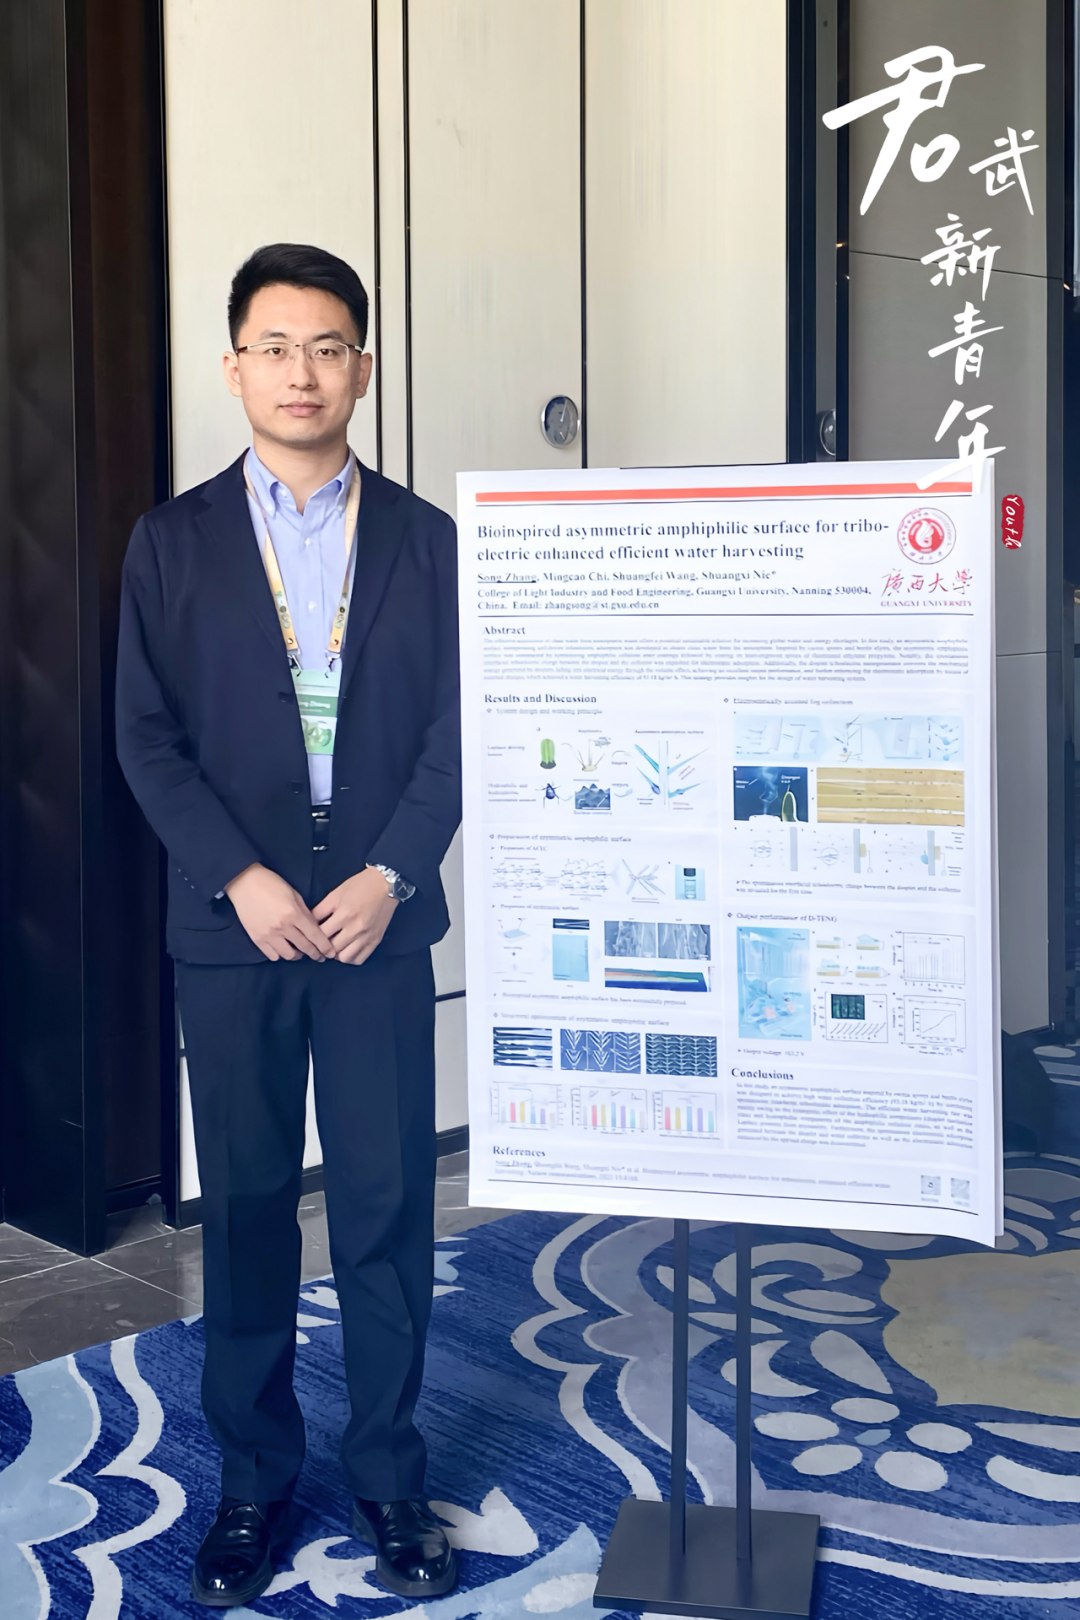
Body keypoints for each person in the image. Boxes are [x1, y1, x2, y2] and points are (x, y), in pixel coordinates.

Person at [116, 243, 461, 1609]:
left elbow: (458, 731)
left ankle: (389, 1476)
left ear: (364, 368)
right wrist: (239, 879)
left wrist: (392, 873)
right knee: (251, 1208)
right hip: (236, 929)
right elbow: (146, 738)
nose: (301, 371)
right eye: (275, 346)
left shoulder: (428, 541)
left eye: (328, 346)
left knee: (385, 1208)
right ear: (235, 368)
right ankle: (253, 1479)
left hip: (377, 924)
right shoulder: (172, 541)